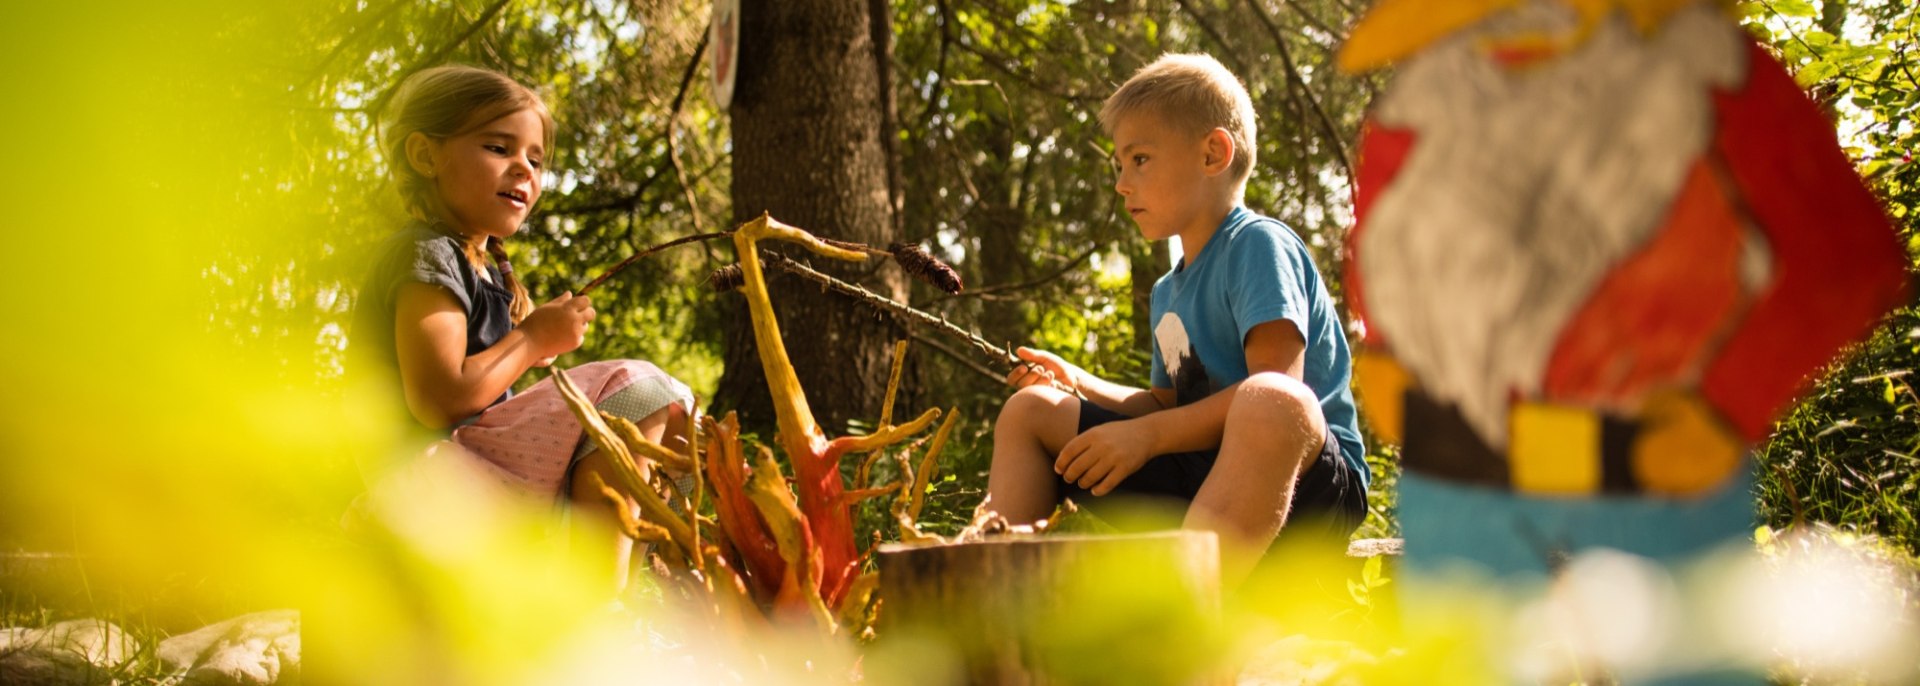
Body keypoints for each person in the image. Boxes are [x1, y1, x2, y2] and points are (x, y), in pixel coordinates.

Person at [986, 53, 1368, 585]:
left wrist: (1145, 436)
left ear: (1213, 154)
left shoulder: (1257, 245)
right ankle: (987, 609)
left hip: (1307, 483)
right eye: (1118, 165)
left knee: (1272, 401)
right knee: (1032, 411)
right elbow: (1167, 406)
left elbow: (1278, 388)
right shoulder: (1168, 290)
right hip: (1205, 474)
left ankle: (1185, 620)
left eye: (1139, 159)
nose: (1121, 183)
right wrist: (1080, 383)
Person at [350, 65, 694, 594]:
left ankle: (605, 589)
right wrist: (530, 338)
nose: (524, 170)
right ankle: (596, 608)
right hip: (420, 482)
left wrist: (528, 344)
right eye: (498, 148)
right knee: (636, 389)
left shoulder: (481, 270)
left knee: (671, 418)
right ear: (426, 155)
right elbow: (438, 398)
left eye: (535, 159)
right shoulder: (427, 254)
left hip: (465, 478)